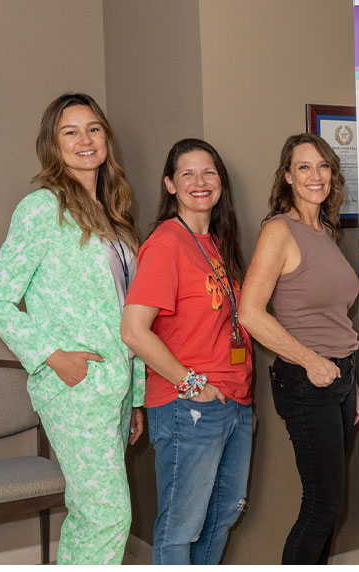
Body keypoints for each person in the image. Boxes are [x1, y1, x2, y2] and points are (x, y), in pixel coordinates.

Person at [0, 93, 143, 565]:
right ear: (52, 145)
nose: (85, 140)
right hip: (73, 385)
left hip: (115, 387)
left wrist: (135, 395)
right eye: (70, 131)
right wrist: (55, 358)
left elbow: (129, 310)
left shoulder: (115, 215)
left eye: (93, 128)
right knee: (107, 516)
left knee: (93, 514)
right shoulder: (42, 207)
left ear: (106, 138)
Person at [121, 138, 253, 565]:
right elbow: (134, 331)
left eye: (209, 172)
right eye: (188, 174)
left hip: (234, 401)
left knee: (221, 518)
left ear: (220, 182)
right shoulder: (165, 244)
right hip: (189, 405)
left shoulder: (215, 242)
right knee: (181, 528)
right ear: (170, 185)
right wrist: (192, 384)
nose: (200, 182)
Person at [238, 133, 359, 564]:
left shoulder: (324, 231)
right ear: (288, 176)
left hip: (340, 380)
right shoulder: (279, 230)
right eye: (304, 167)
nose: (315, 175)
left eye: (323, 166)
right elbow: (250, 313)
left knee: (330, 507)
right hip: (308, 381)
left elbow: (335, 317)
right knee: (322, 505)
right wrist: (312, 360)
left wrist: (353, 382)